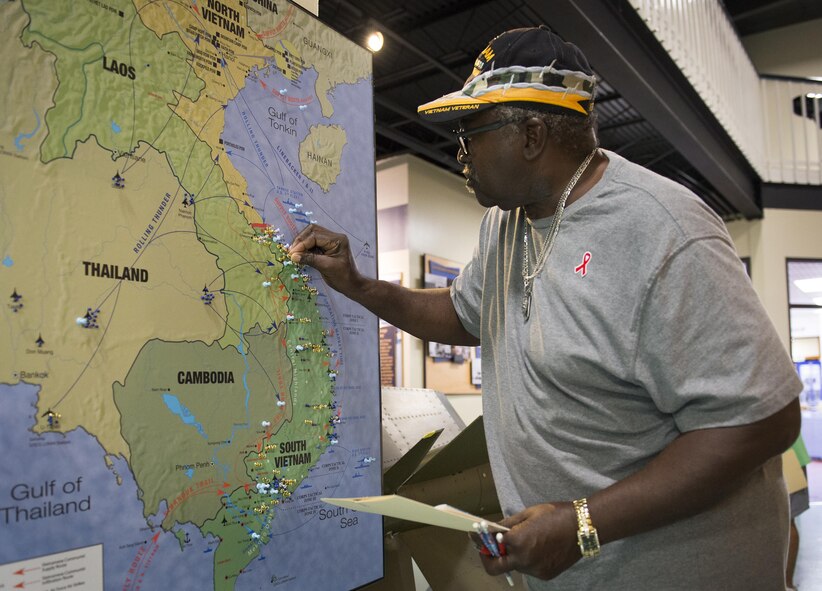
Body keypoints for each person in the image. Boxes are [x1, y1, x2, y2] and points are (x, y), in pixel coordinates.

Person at [289, 26, 802, 590]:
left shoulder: (663, 232)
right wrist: (359, 286)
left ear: (532, 134)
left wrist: (584, 524)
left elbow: (762, 422)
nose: (460, 152)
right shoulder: (505, 224)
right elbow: (464, 314)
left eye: (470, 132)